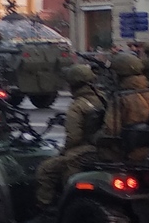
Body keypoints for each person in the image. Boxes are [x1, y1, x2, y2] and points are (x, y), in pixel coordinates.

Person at [33, 64, 105, 208]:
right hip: (103, 146)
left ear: (72, 84)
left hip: (88, 148)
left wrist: (63, 152)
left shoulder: (77, 106)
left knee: (45, 170)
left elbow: (73, 138)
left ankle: (46, 210)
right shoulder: (103, 97)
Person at [104, 52, 149, 162]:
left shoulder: (120, 98)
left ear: (120, 75)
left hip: (122, 151)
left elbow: (110, 131)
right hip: (146, 150)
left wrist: (94, 137)